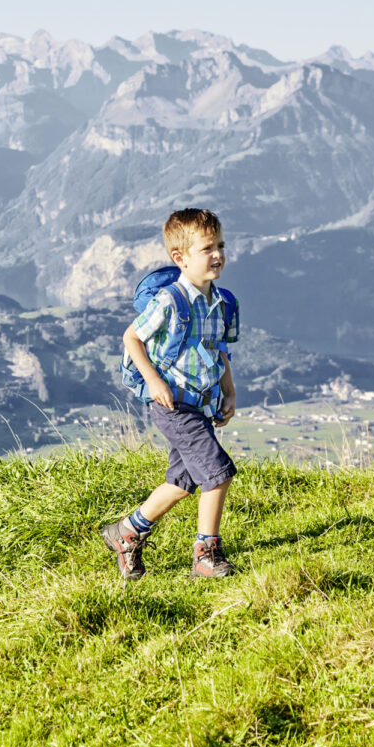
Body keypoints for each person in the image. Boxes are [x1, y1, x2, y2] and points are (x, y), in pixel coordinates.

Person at [103, 208, 240, 580]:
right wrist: (154, 382)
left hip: (201, 403)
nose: (218, 255)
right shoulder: (169, 301)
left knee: (182, 482)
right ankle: (206, 556)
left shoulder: (224, 302)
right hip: (172, 404)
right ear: (180, 257)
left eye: (221, 246)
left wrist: (228, 391)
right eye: (207, 248)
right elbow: (132, 337)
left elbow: (219, 350)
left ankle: (127, 532)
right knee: (218, 473)